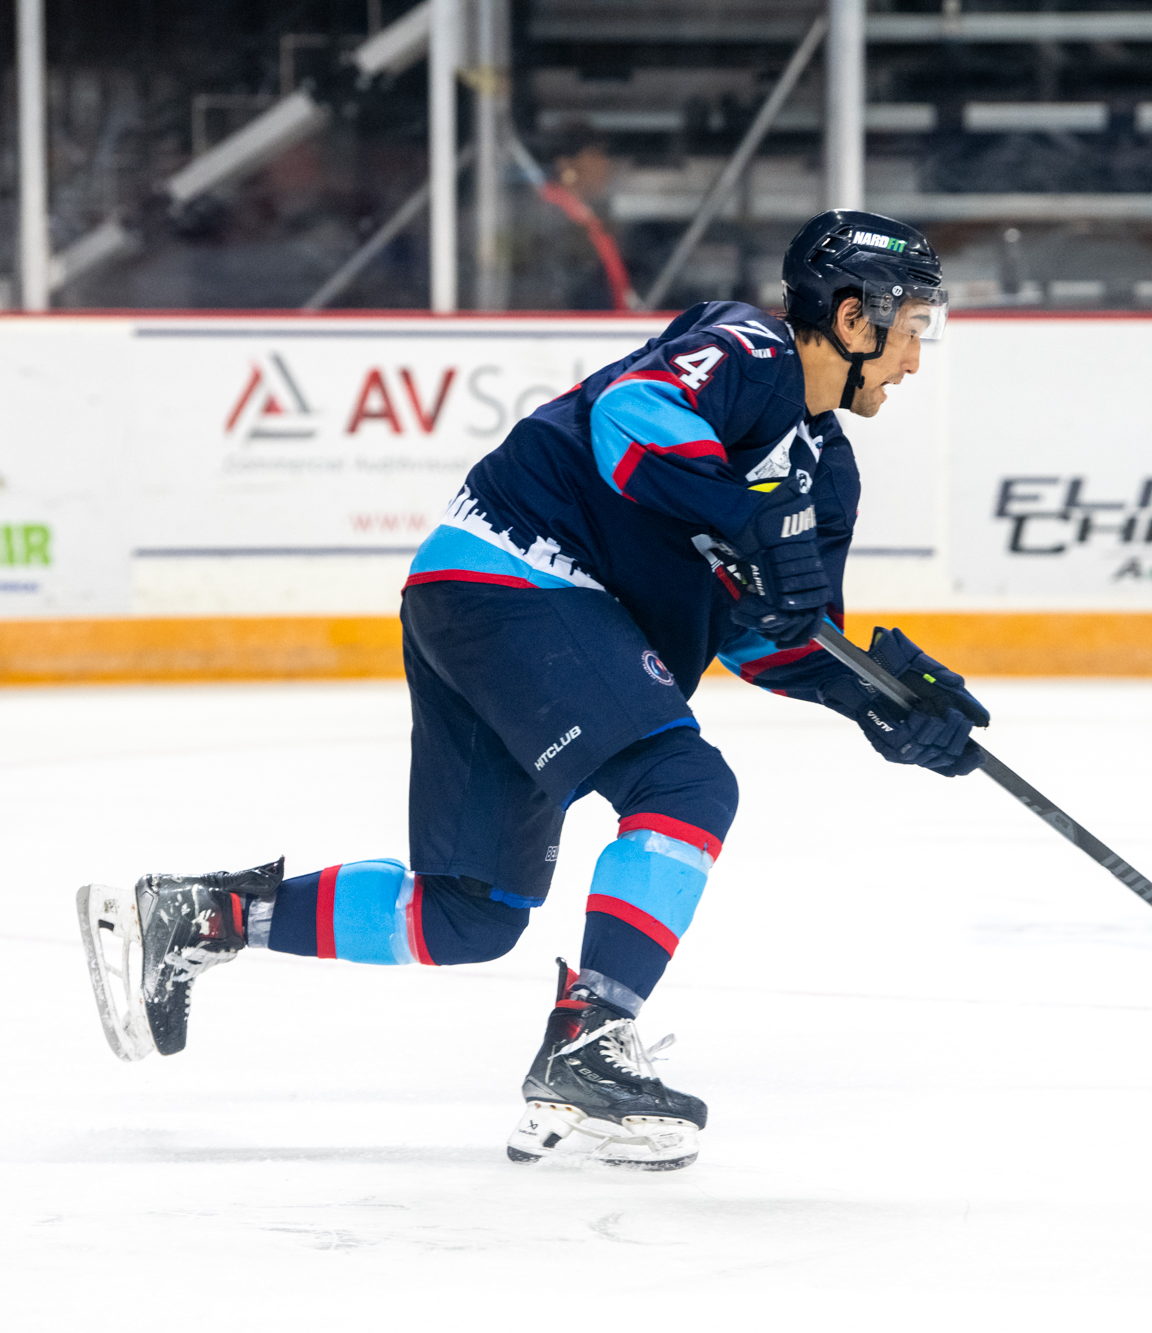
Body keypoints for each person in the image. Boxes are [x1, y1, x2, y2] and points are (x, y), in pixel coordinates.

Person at [77, 210, 991, 1171]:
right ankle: (589, 1044)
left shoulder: (826, 479)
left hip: (479, 600)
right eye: (910, 330)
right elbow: (629, 421)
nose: (915, 361)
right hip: (519, 575)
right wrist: (752, 520)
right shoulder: (749, 349)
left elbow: (763, 635)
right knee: (685, 786)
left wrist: (882, 700)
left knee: (468, 913)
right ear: (851, 317)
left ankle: (200, 915)